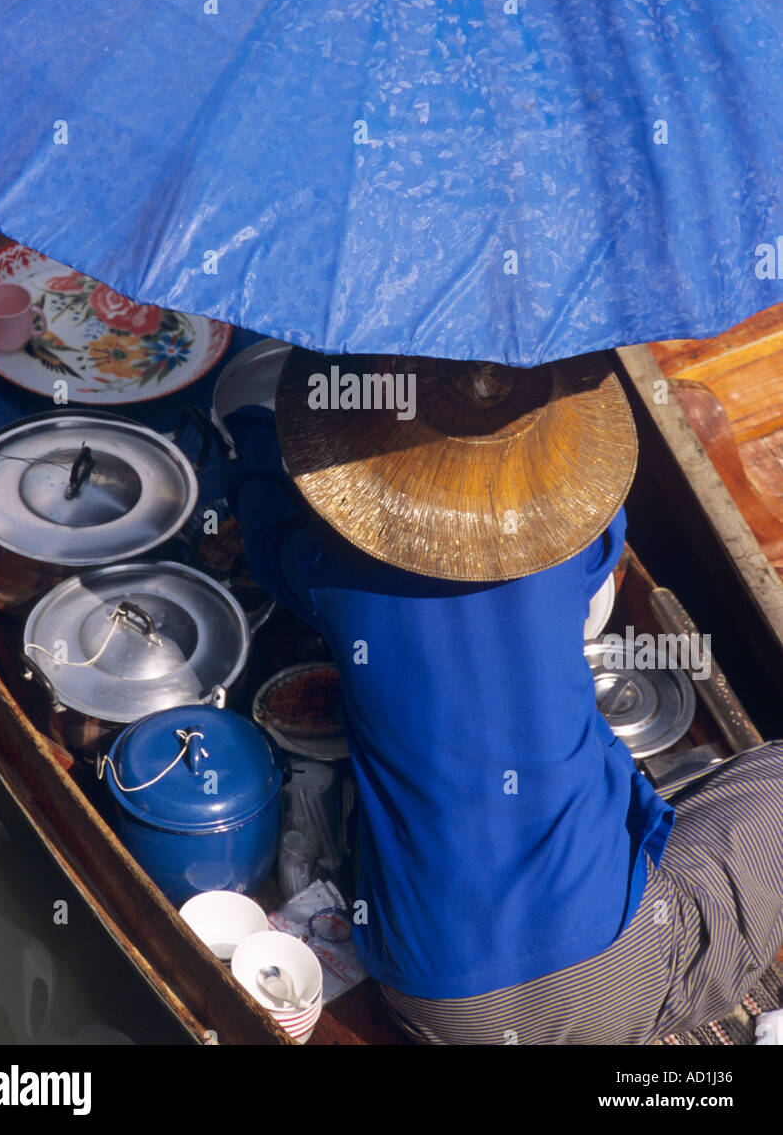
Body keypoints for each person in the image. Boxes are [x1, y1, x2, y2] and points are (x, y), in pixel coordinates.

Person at [220, 346, 783, 1044]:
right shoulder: (569, 542)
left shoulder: (331, 570)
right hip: (615, 980)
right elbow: (597, 517)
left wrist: (252, 425)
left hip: (431, 1000)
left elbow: (264, 521)